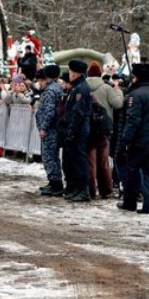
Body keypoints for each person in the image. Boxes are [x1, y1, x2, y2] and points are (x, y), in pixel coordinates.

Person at [117, 62, 149, 214]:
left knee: (131, 172)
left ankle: (130, 202)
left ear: (136, 77)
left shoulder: (135, 95)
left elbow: (133, 120)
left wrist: (125, 139)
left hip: (138, 140)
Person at [86, 61, 121, 199]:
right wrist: (117, 90)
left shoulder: (83, 87)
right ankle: (106, 190)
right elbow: (118, 104)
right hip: (104, 128)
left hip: (89, 128)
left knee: (90, 162)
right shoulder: (106, 88)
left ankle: (90, 190)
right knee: (103, 161)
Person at [61, 60, 93, 203]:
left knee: (79, 161)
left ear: (75, 73)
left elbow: (78, 113)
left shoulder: (81, 88)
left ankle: (82, 190)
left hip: (79, 130)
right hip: (74, 129)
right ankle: (75, 188)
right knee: (72, 161)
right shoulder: (76, 87)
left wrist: (72, 131)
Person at [35, 64, 65, 196]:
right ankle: (54, 182)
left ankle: (55, 183)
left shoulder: (49, 91)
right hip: (55, 128)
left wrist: (43, 127)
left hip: (50, 130)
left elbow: (49, 112)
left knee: (49, 156)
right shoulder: (57, 88)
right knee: (53, 156)